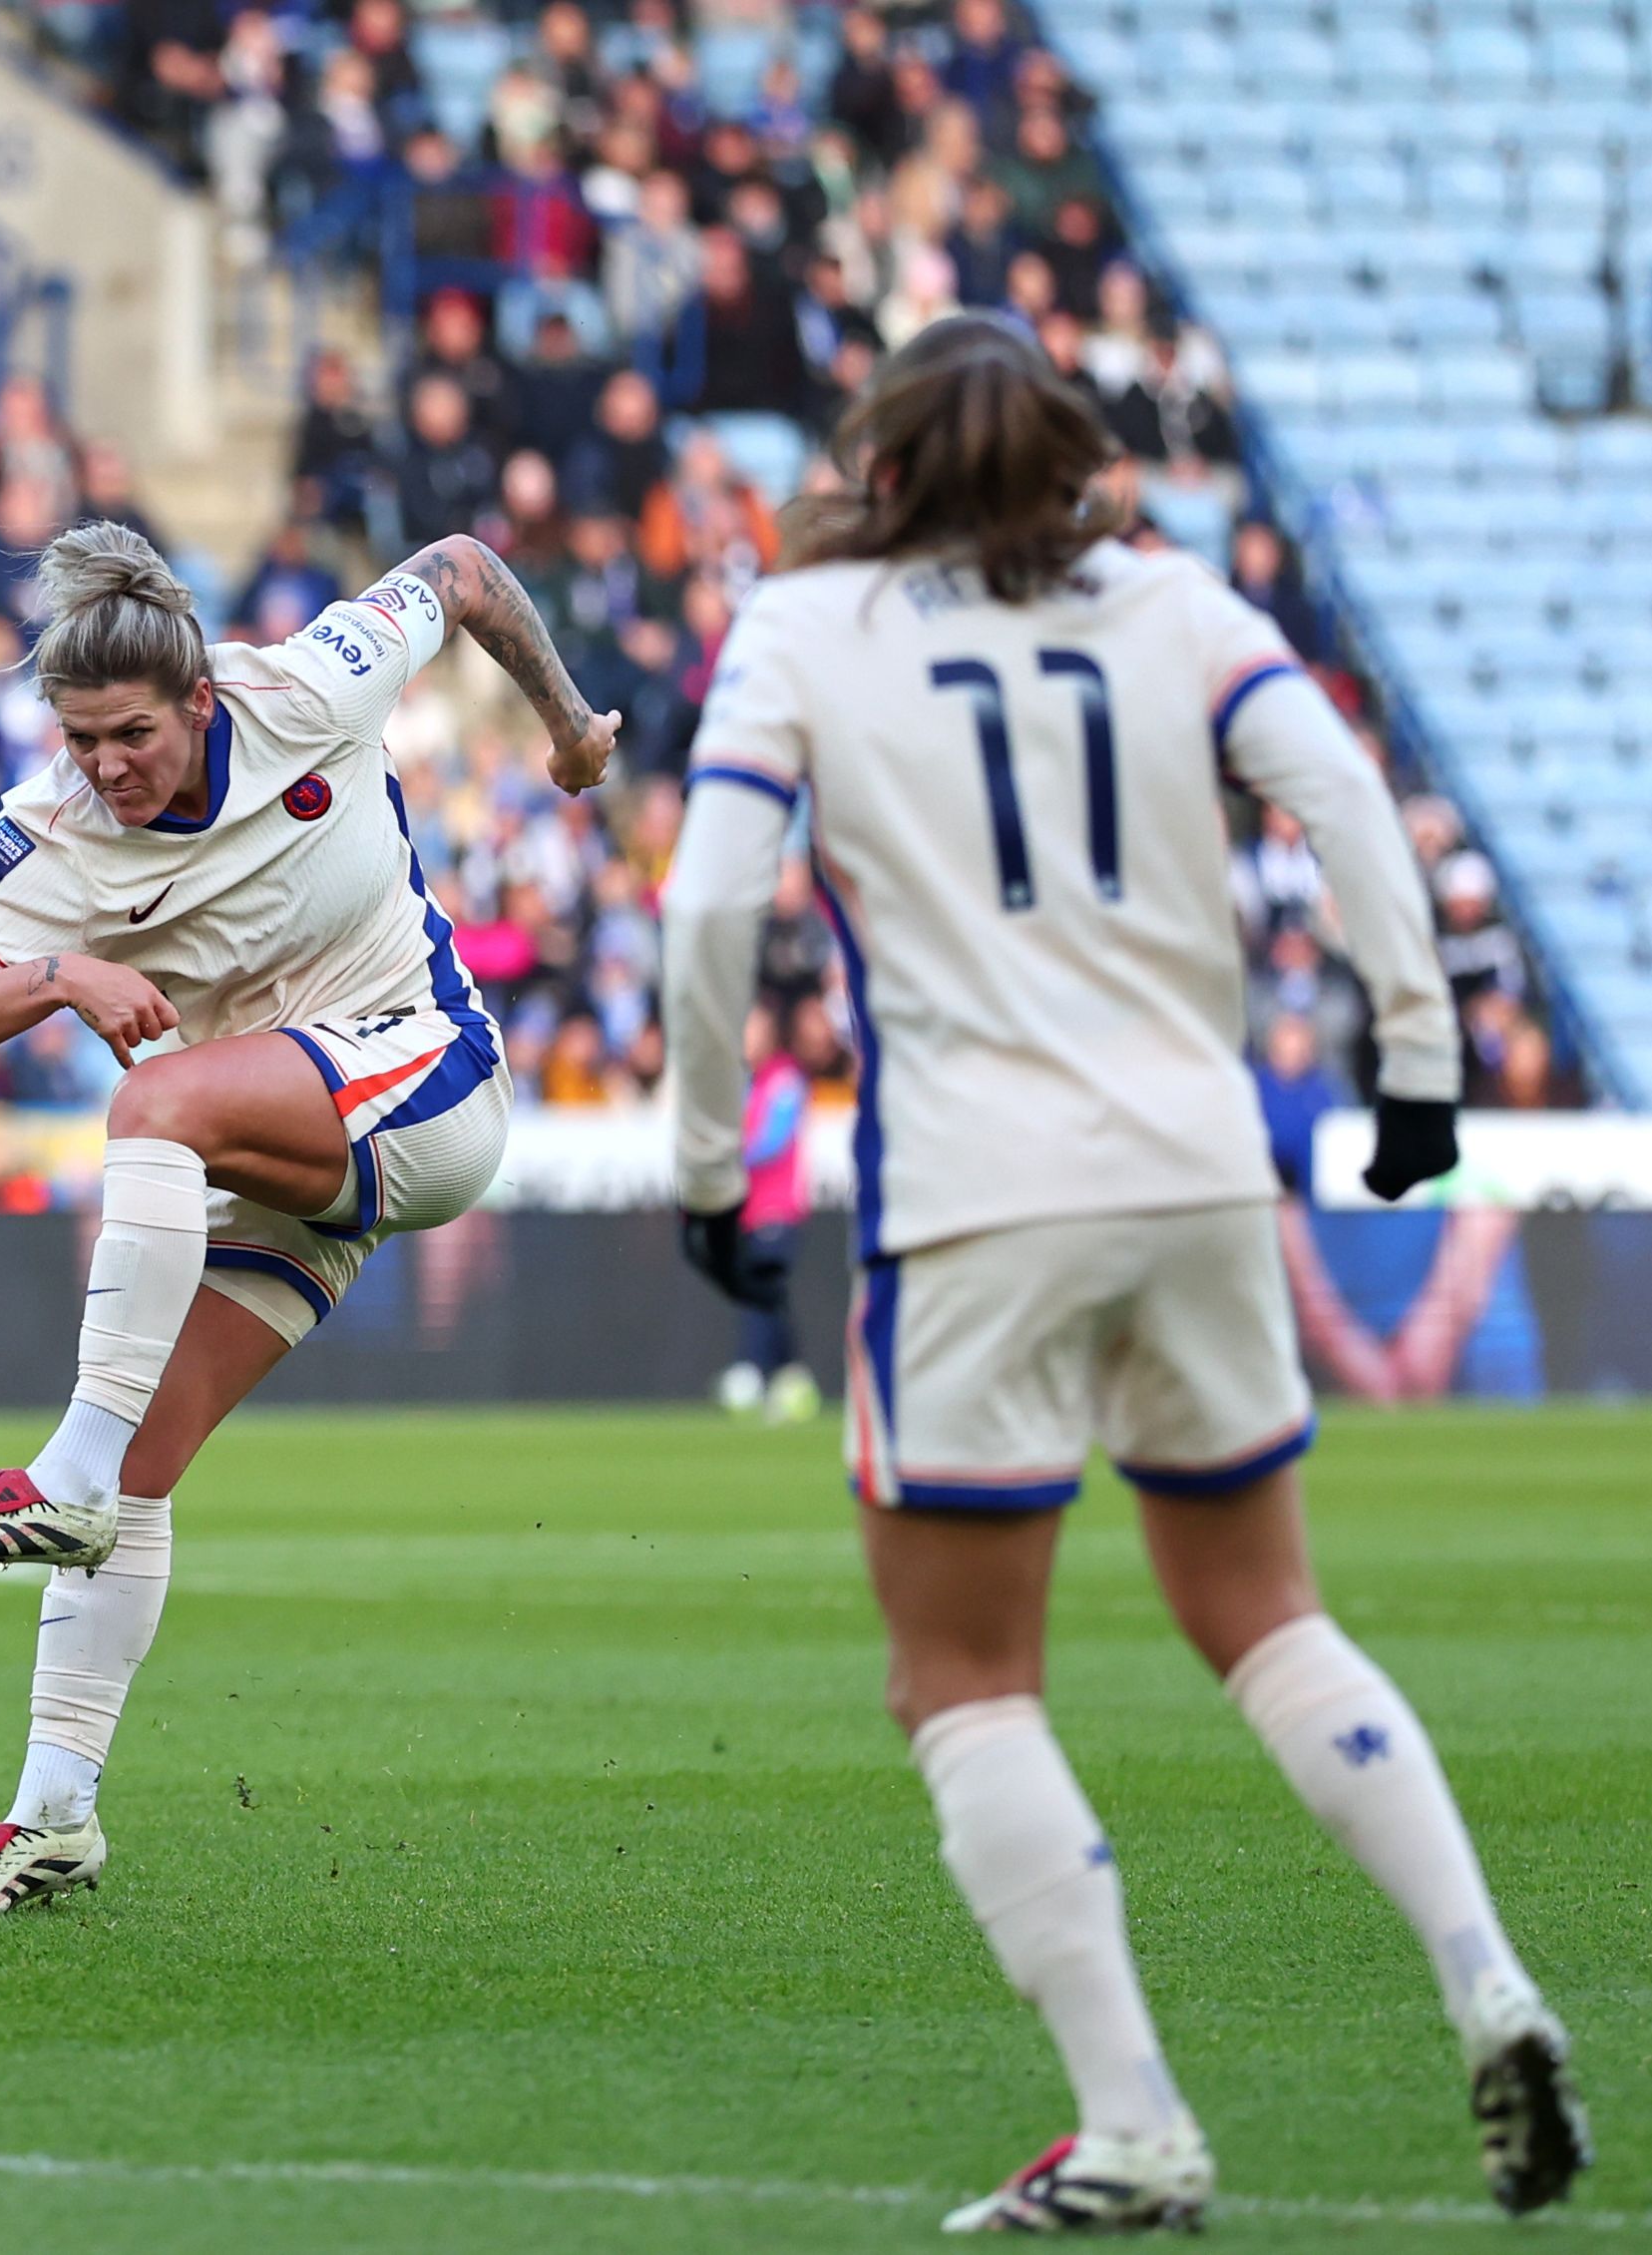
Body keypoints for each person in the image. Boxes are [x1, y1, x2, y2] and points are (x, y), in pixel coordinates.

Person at [658, 318, 1585, 2231]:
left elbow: (707, 903)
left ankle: (1136, 2126)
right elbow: (1344, 795)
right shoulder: (1173, 602)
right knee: (1266, 1616)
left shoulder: (804, 629)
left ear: (880, 468)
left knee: (961, 1679)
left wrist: (701, 1169)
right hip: (1197, 1169)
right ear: (1068, 460)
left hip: (973, 1195)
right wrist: (1416, 1065)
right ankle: (1486, 1977)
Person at [0, 519, 617, 1917]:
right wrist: (55, 976)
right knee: (144, 1466)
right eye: (79, 738)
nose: (105, 765)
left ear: (202, 698)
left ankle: (62, 1475)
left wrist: (568, 729)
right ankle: (52, 1818)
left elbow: (461, 567)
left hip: (427, 1074)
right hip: (288, 1155)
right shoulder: (52, 834)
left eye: (131, 734)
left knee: (154, 1105)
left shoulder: (310, 684)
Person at [710, 1005, 815, 1424]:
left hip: (778, 1207)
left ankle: (752, 1370)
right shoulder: (739, 1082)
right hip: (747, 1209)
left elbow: (774, 1138)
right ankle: (792, 1376)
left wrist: (726, 1155)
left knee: (761, 1286)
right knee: (765, 1291)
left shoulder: (785, 1078)